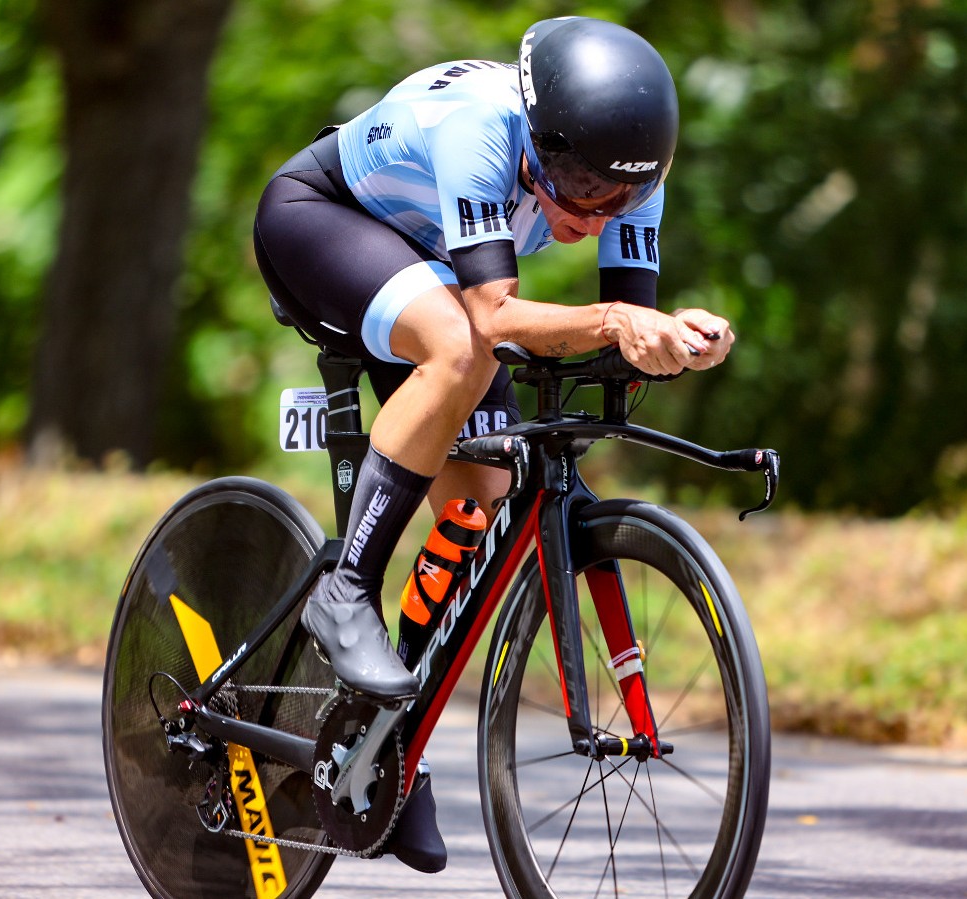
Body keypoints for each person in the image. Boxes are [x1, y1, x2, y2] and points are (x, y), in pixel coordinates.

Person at [252, 17, 735, 872]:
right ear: (540, 142)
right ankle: (346, 589)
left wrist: (677, 336)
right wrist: (617, 321)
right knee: (463, 348)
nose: (596, 211)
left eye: (618, 197)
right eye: (577, 184)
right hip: (320, 220)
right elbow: (493, 315)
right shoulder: (479, 125)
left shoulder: (632, 177)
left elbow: (624, 329)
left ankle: (380, 739)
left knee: (480, 507)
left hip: (433, 269)